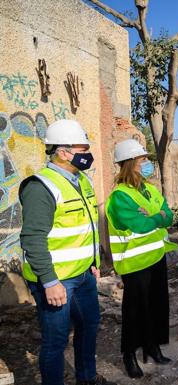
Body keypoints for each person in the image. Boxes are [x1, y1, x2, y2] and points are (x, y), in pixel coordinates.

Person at [19, 119, 115, 385]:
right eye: (82, 148)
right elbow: (32, 238)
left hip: (83, 275)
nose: (88, 154)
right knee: (56, 341)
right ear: (63, 152)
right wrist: (49, 282)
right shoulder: (41, 187)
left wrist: (94, 262)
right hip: (56, 280)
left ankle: (86, 377)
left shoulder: (80, 180)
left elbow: (87, 227)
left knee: (89, 325)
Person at [105, 139, 178, 378]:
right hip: (134, 263)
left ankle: (152, 347)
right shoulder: (120, 196)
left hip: (156, 257)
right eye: (143, 159)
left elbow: (169, 216)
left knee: (157, 305)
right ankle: (129, 355)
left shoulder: (149, 189)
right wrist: (157, 216)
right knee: (135, 311)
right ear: (130, 163)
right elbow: (141, 224)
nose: (148, 163)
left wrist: (157, 215)